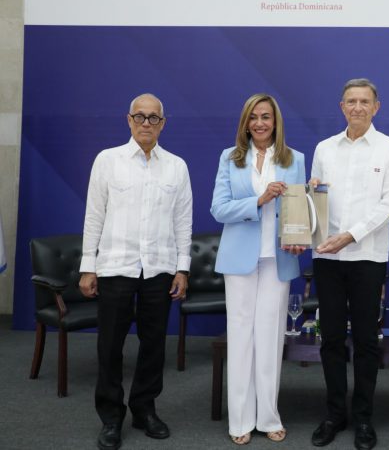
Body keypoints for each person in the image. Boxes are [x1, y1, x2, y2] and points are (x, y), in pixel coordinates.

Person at [79, 93, 193, 450]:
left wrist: (182, 269)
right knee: (110, 345)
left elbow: (183, 222)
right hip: (115, 267)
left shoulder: (176, 166)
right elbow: (94, 216)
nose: (146, 123)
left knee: (154, 345)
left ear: (163, 123)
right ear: (129, 120)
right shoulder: (107, 161)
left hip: (159, 269)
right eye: (140, 117)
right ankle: (111, 418)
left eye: (153, 118)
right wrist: (88, 266)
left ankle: (144, 410)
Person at [309, 78, 389, 450]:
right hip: (327, 258)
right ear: (341, 106)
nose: (358, 107)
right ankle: (335, 413)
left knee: (366, 341)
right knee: (330, 338)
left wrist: (350, 235)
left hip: (367, 257)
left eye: (365, 101)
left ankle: (364, 417)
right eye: (351, 101)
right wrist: (309, 202)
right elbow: (318, 200)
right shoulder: (324, 148)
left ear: (376, 107)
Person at [210, 93, 306, 445]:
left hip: (277, 260)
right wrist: (259, 200)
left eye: (266, 117)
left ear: (276, 121)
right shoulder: (230, 158)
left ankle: (268, 417)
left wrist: (300, 236)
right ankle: (239, 421)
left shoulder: (295, 158)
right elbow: (218, 209)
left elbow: (299, 208)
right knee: (241, 338)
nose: (260, 123)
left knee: (270, 339)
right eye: (254, 117)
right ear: (245, 123)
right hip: (239, 259)